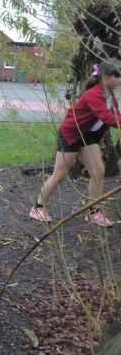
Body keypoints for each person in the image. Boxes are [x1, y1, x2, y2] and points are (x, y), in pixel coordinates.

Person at [29, 57, 121, 227]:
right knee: (60, 174)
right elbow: (108, 118)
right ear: (104, 77)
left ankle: (93, 213)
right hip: (71, 134)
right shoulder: (94, 95)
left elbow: (117, 116)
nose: (119, 80)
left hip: (87, 135)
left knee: (98, 172)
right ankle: (37, 207)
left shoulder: (111, 96)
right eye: (116, 75)